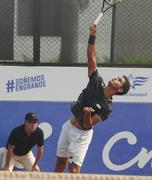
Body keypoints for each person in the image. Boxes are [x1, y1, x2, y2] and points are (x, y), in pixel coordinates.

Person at [54, 25, 131, 173]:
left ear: (120, 89)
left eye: (119, 80)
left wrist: (88, 114)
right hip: (68, 126)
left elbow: (88, 125)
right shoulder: (96, 81)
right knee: (60, 163)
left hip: (81, 135)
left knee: (74, 170)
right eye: (118, 76)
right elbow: (91, 57)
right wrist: (92, 36)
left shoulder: (107, 108)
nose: (116, 77)